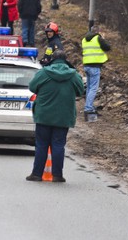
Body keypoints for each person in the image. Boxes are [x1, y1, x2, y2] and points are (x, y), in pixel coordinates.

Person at [26, 50, 84, 183]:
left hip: (44, 115)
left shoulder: (43, 72)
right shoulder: (73, 75)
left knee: (41, 144)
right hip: (63, 116)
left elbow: (32, 87)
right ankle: (57, 175)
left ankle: (36, 174)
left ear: (52, 59)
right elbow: (81, 91)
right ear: (65, 60)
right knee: (58, 145)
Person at [80, 22, 111, 122]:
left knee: (89, 88)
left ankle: (89, 107)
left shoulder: (84, 39)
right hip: (95, 66)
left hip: (86, 65)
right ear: (98, 32)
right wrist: (103, 38)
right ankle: (88, 108)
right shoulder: (98, 38)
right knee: (93, 88)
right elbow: (107, 47)